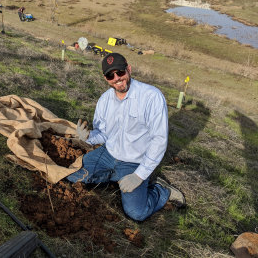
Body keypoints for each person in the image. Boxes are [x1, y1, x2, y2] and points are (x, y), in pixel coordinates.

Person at [67, 53, 186, 222]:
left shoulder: (152, 97)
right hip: (108, 154)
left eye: (120, 72)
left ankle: (160, 190)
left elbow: (159, 140)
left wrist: (139, 175)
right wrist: (88, 136)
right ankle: (114, 176)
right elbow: (103, 134)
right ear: (105, 78)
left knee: (137, 213)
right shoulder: (104, 100)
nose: (117, 79)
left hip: (134, 162)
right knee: (73, 176)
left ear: (128, 69)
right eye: (110, 75)